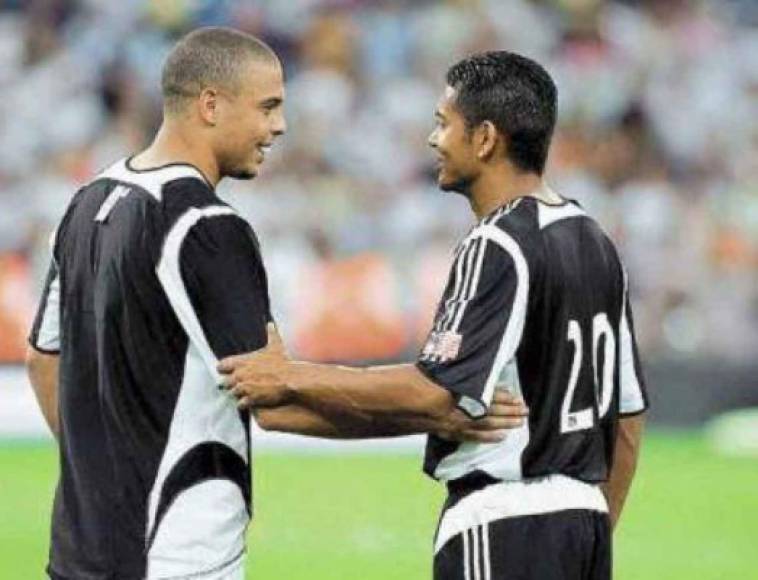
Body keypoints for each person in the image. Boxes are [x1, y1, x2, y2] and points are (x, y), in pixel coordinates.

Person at [25, 27, 523, 580]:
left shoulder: (87, 201)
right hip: (176, 557)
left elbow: (45, 361)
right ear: (210, 104)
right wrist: (438, 412)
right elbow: (275, 398)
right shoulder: (207, 227)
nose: (278, 126)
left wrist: (102, 482)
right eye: (267, 107)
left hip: (77, 556)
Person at [220, 51, 648, 580]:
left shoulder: (497, 242)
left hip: (502, 523)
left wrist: (291, 376)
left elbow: (435, 395)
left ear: (486, 138)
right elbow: (626, 420)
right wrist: (593, 531)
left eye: (444, 124)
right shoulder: (594, 240)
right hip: (583, 523)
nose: (433, 139)